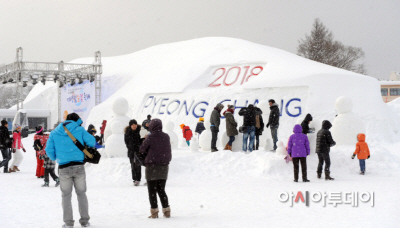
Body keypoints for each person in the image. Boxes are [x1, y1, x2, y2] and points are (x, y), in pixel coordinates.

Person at [46, 113, 95, 228]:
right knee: (81, 193)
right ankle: (84, 221)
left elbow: (48, 149)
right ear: (76, 120)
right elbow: (92, 142)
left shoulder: (54, 133)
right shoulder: (80, 129)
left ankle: (68, 223)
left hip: (64, 168)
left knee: (66, 196)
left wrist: (55, 157)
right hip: (78, 166)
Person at [139, 119, 172, 219]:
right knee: (161, 189)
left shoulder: (150, 137)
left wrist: (144, 140)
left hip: (152, 166)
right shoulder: (166, 136)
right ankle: (166, 211)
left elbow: (142, 149)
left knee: (152, 190)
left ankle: (154, 212)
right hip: (164, 166)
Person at [124, 119, 143, 186]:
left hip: (139, 151)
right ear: (130, 126)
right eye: (132, 125)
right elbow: (126, 142)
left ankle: (138, 179)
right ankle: (135, 179)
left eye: (135, 124)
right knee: (133, 165)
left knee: (138, 165)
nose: (134, 126)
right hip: (131, 152)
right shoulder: (127, 133)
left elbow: (142, 140)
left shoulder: (140, 131)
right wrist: (131, 149)